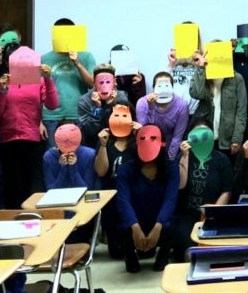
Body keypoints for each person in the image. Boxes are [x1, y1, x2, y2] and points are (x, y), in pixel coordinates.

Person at [0, 49, 58, 208]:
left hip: (32, 140)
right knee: (12, 188)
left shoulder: (38, 82)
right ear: (8, 64)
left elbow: (52, 105)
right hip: (8, 141)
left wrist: (48, 79)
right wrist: (3, 91)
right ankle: (13, 224)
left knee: (31, 187)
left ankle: (32, 222)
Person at [115, 125, 179, 273]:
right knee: (121, 228)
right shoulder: (126, 169)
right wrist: (134, 226)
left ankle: (163, 257)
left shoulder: (171, 168)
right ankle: (130, 257)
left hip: (160, 221)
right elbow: (123, 200)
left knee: (171, 227)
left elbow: (171, 199)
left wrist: (158, 226)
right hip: (136, 220)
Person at [172, 119, 234, 262]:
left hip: (213, 214)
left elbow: (227, 190)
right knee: (188, 252)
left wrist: (215, 210)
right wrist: (184, 157)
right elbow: (180, 185)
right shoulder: (182, 157)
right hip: (187, 214)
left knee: (216, 253)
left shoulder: (222, 159)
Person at [94, 101, 141, 259]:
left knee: (144, 252)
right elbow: (101, 171)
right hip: (112, 198)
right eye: (116, 116)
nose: (120, 119)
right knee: (116, 253)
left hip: (135, 197)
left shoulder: (137, 142)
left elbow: (149, 168)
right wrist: (102, 144)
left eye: (124, 116)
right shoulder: (105, 142)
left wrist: (141, 137)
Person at [42, 18, 96, 149]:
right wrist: (39, 122)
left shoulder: (86, 56)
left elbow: (92, 84)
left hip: (78, 115)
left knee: (78, 156)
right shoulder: (44, 58)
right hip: (51, 117)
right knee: (54, 156)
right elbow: (36, 92)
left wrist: (77, 63)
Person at [189, 51, 247, 159]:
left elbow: (241, 111)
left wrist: (237, 138)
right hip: (205, 135)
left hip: (227, 139)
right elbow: (197, 94)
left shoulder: (237, 79)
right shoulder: (202, 74)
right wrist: (201, 69)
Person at [138, 72, 189, 161]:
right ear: (153, 88)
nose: (163, 90)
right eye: (159, 87)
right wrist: (151, 107)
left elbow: (177, 137)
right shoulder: (142, 103)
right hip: (147, 148)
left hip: (170, 149)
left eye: (167, 86)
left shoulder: (181, 106)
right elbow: (144, 132)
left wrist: (169, 160)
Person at [78, 64, 130, 147]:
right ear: (94, 82)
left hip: (115, 143)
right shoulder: (85, 100)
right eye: (101, 82)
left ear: (114, 81)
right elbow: (87, 131)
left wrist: (111, 105)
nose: (104, 86)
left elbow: (122, 127)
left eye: (108, 82)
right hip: (92, 144)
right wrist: (97, 109)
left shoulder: (121, 97)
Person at [43, 123, 97, 190]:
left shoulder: (90, 154)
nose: (67, 140)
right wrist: (63, 169)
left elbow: (88, 189)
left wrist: (73, 168)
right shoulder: (49, 156)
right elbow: (51, 190)